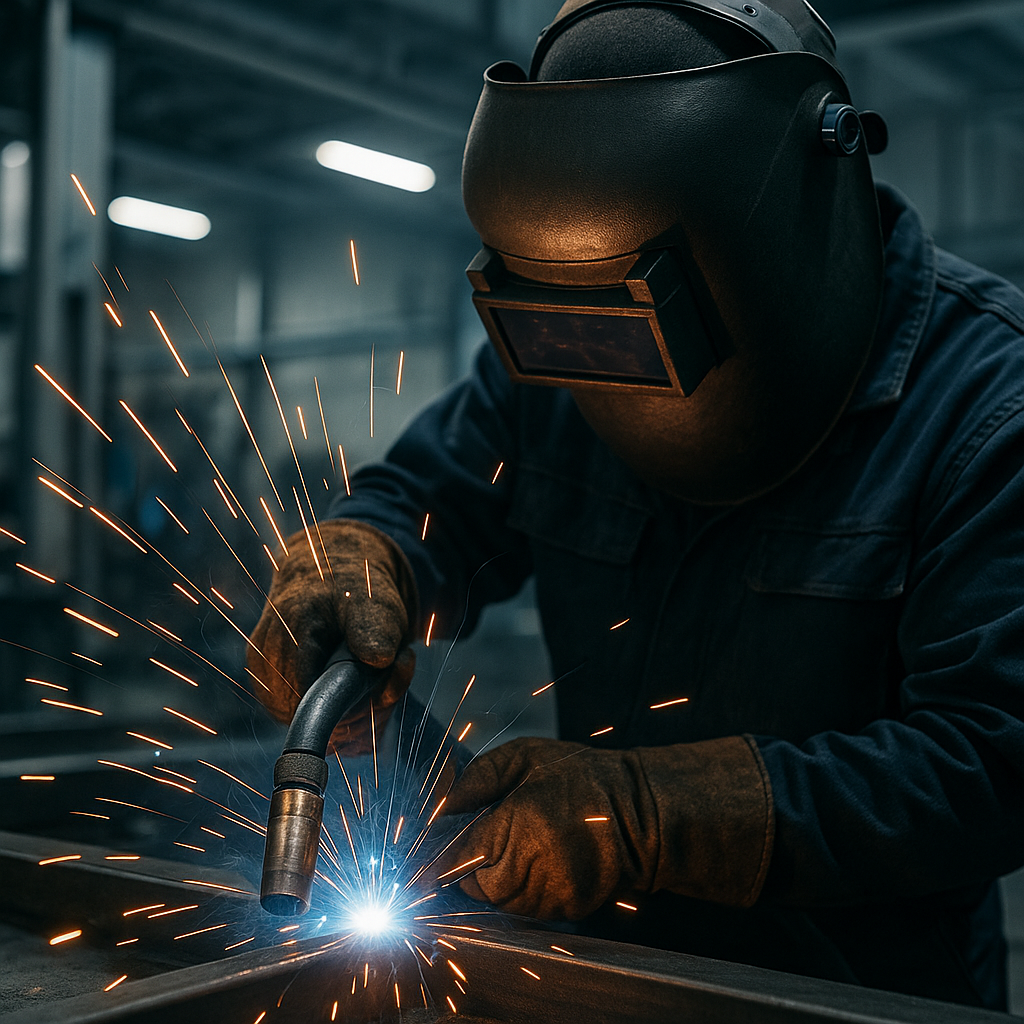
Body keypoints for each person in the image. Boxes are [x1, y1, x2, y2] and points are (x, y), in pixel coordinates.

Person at [248, 0, 1024, 1010]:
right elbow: (433, 498)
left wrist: (657, 815)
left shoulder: (985, 401)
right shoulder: (560, 339)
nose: (615, 377)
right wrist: (363, 554)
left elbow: (994, 761)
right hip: (599, 976)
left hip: (855, 995)